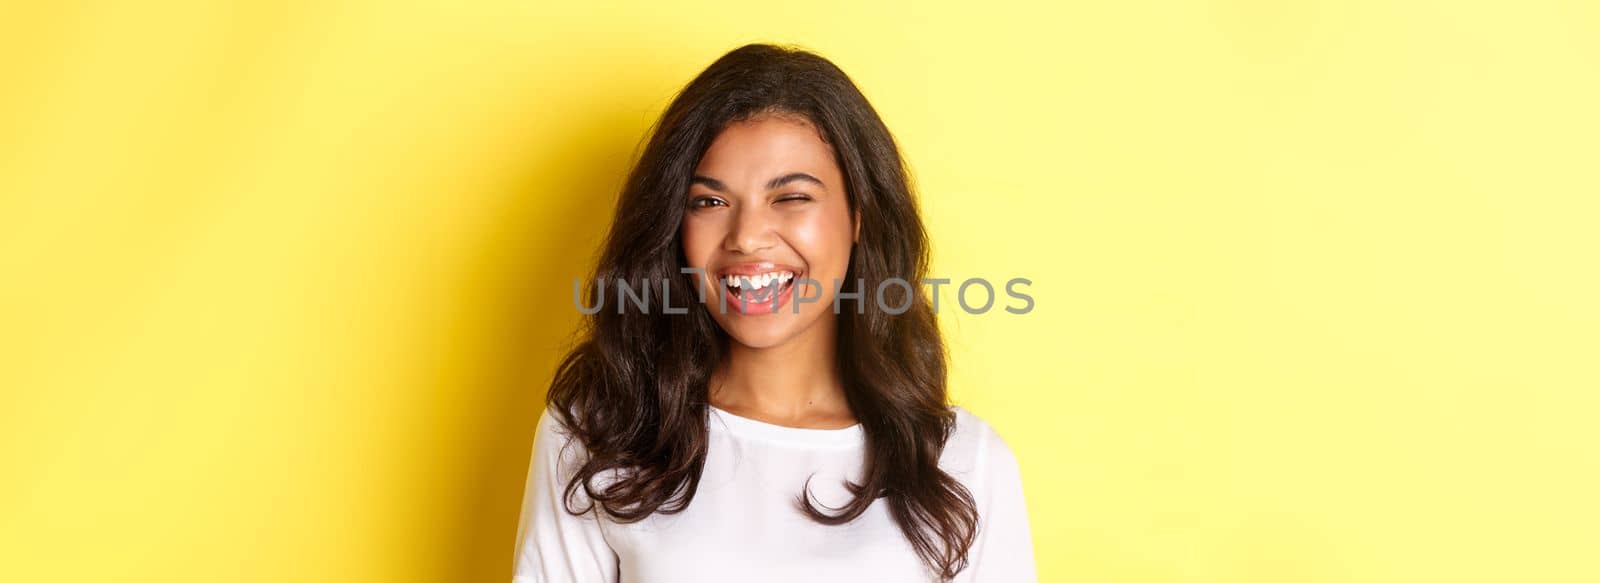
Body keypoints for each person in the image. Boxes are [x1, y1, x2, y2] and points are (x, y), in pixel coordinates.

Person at [511, 43, 1037, 583]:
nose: (746, 238)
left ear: (859, 215)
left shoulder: (965, 464)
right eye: (709, 202)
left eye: (791, 197)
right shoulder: (599, 437)